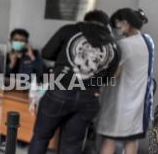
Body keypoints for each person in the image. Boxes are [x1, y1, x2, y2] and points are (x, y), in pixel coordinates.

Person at [28, 10, 120, 154]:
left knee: (41, 136)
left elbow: (46, 53)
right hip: (90, 98)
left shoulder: (69, 30)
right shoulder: (114, 45)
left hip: (60, 92)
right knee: (72, 144)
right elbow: (107, 78)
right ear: (106, 25)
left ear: (85, 20)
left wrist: (63, 60)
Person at [97, 8, 154, 154]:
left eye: (117, 24)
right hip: (140, 101)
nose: (117, 28)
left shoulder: (123, 45)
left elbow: (114, 75)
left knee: (109, 138)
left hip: (120, 100)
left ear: (126, 23)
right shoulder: (148, 41)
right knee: (131, 139)